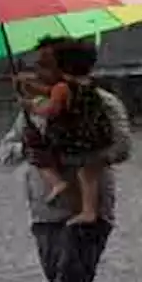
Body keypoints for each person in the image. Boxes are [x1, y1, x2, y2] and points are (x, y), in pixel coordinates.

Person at [0, 37, 132, 282]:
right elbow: (6, 150)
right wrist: (28, 148)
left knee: (72, 278)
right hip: (45, 211)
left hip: (89, 208)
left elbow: (122, 147)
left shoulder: (99, 102)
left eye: (45, 64)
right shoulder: (32, 110)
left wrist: (72, 154)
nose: (38, 70)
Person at [21, 41, 114, 226]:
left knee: (38, 151)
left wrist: (32, 106)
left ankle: (59, 185)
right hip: (95, 138)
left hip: (74, 141)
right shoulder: (87, 85)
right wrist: (33, 87)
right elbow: (55, 92)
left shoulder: (61, 88)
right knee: (89, 175)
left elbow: (53, 108)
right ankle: (89, 209)